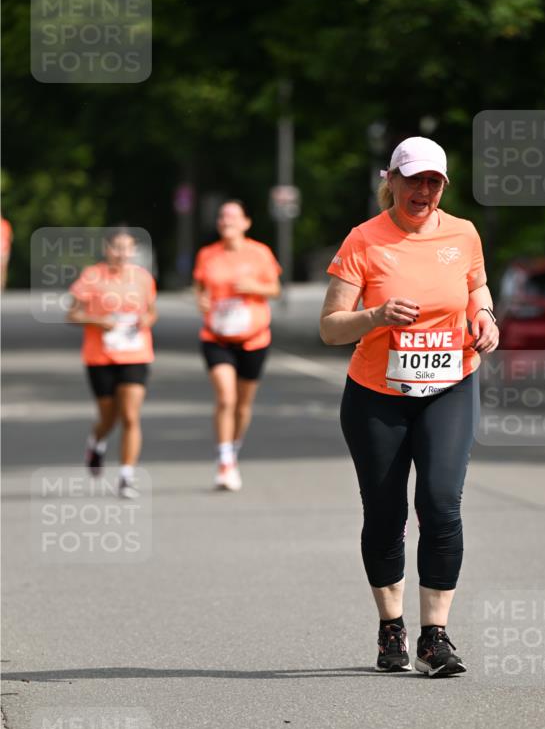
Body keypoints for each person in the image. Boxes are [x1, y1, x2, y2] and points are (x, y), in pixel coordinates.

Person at [320, 137, 499, 677]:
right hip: (378, 396)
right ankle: (391, 626)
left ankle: (435, 638)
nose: (423, 190)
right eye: (413, 179)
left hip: (450, 385)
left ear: (443, 186)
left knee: (442, 504)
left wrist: (487, 317)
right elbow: (330, 327)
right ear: (391, 180)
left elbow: (478, 288)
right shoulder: (364, 240)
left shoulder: (463, 233)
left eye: (433, 182)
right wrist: (375, 316)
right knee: (385, 515)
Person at [193, 200, 281, 491]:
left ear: (246, 222)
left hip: (254, 338)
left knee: (243, 405)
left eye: (232, 216)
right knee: (226, 398)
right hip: (216, 337)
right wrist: (202, 301)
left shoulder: (260, 253)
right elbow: (201, 291)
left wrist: (255, 288)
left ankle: (233, 446)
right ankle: (225, 460)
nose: (225, 221)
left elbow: (275, 289)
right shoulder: (208, 254)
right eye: (222, 216)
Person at [66, 227, 158, 499]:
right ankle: (97, 442)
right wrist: (98, 321)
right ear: (107, 249)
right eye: (115, 247)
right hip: (100, 356)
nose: (120, 253)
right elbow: (71, 314)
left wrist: (146, 321)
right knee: (109, 417)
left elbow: (152, 312)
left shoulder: (142, 278)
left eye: (126, 248)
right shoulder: (92, 276)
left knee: (130, 415)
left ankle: (127, 476)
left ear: (133, 251)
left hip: (135, 354)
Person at [1, 216, 13, 290]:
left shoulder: (5, 224)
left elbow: (10, 236)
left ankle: (2, 285)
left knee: (3, 269)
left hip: (4, 249)